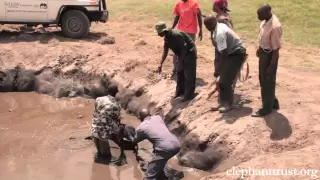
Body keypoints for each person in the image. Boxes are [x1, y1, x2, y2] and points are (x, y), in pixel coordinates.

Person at [204, 15, 247, 113]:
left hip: (236, 53)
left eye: (206, 25)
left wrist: (220, 68)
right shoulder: (217, 27)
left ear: (211, 24)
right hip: (230, 53)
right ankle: (222, 102)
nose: (206, 27)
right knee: (221, 80)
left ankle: (229, 104)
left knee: (225, 80)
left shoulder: (219, 33)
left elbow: (224, 53)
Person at [132, 109, 181, 180]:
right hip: (176, 144)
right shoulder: (158, 117)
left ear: (141, 118)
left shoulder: (141, 127)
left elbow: (134, 140)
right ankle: (161, 173)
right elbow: (158, 133)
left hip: (165, 149)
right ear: (149, 114)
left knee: (149, 175)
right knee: (160, 159)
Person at [251, 4, 282, 117]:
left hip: (270, 56)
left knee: (266, 80)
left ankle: (266, 108)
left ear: (268, 12)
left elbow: (276, 50)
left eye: (260, 14)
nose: (258, 16)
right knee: (265, 79)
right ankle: (273, 102)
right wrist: (260, 48)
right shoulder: (265, 21)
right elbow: (263, 36)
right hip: (264, 52)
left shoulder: (274, 26)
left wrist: (271, 66)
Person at [156, 21, 197, 101]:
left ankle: (189, 95)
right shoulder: (166, 38)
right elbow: (165, 51)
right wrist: (160, 64)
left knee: (189, 74)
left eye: (159, 33)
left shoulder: (176, 35)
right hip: (181, 53)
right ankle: (180, 92)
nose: (158, 35)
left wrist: (180, 62)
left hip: (189, 52)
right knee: (179, 72)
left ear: (164, 31)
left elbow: (184, 48)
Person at [91, 84, 126, 165]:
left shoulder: (99, 99)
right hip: (104, 132)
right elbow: (117, 120)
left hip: (94, 127)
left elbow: (96, 111)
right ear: (116, 93)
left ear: (107, 91)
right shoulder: (116, 106)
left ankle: (98, 159)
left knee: (99, 150)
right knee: (106, 155)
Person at [171, 0, 202, 77]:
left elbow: (199, 16)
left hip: (191, 32)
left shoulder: (194, 3)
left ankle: (191, 70)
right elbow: (177, 17)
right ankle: (175, 69)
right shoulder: (178, 4)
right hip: (180, 31)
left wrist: (201, 30)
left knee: (191, 51)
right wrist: (172, 28)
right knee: (177, 49)